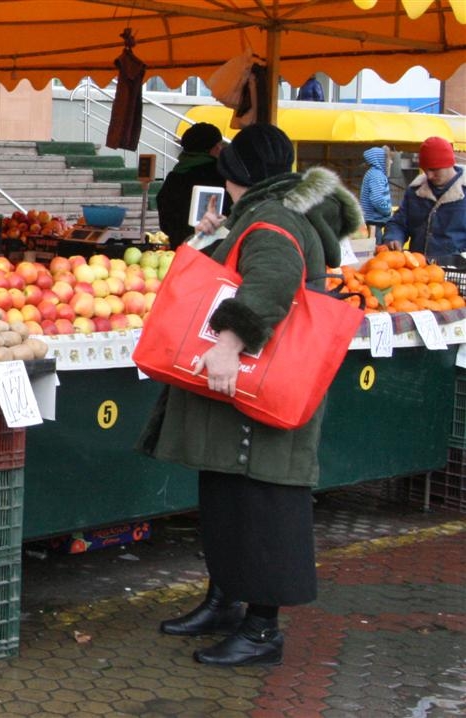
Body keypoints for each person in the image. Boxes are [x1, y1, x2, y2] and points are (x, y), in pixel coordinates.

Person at [139, 124, 364, 668]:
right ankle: (224, 601)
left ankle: (262, 630)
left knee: (263, 506)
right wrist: (212, 235)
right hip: (252, 392)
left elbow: (271, 281)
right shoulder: (266, 214)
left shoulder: (272, 220)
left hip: (262, 384)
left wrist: (229, 345)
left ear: (237, 174)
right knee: (229, 500)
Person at [380, 136, 465, 265]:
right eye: (426, 170)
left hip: (456, 270)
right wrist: (393, 237)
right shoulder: (415, 191)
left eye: (434, 169)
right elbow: (399, 223)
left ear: (449, 164)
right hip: (417, 271)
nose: (429, 176)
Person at [155, 122, 229, 249]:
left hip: (180, 249)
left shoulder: (175, 175)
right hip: (213, 252)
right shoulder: (220, 175)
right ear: (216, 148)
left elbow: (165, 216)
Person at [359, 146, 392, 242]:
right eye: (389, 159)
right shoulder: (377, 175)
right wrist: (387, 211)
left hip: (373, 222)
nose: (391, 162)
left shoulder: (373, 173)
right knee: (375, 249)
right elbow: (377, 199)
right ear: (381, 160)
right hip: (374, 222)